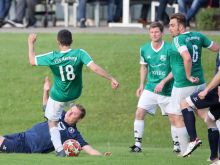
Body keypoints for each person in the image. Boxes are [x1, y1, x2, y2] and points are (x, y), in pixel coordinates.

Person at [28, 29, 119, 157]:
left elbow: (32, 61)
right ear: (72, 41)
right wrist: (111, 78)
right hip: (74, 95)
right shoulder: (80, 53)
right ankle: (70, 121)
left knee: (51, 121)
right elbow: (94, 68)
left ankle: (59, 150)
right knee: (60, 109)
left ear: (58, 41)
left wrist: (31, 43)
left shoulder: (53, 56)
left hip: (58, 97)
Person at [0, 77, 111, 156]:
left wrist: (102, 157)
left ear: (79, 119)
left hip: (28, 148)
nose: (69, 113)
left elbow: (89, 149)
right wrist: (46, 91)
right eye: (71, 110)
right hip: (23, 136)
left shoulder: (73, 134)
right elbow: (46, 106)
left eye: (74, 114)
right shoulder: (60, 114)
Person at [167, 12, 219, 155]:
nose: (170, 28)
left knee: (178, 116)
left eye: (172, 25)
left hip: (184, 84)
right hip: (201, 83)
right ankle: (214, 155)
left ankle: (186, 151)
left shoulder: (178, 40)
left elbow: (187, 58)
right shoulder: (198, 35)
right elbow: (215, 48)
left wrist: (188, 75)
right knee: (205, 116)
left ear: (181, 27)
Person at [129, 22, 179, 153]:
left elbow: (175, 70)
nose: (154, 34)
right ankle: (137, 144)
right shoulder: (144, 49)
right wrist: (141, 85)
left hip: (167, 90)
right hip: (150, 88)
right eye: (151, 32)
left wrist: (163, 82)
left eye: (156, 32)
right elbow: (144, 67)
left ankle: (177, 146)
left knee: (173, 118)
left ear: (162, 33)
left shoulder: (170, 49)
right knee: (139, 112)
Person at [180, 52, 220, 161]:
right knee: (210, 119)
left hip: (217, 91)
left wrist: (207, 90)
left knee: (185, 103)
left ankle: (193, 140)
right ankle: (214, 158)